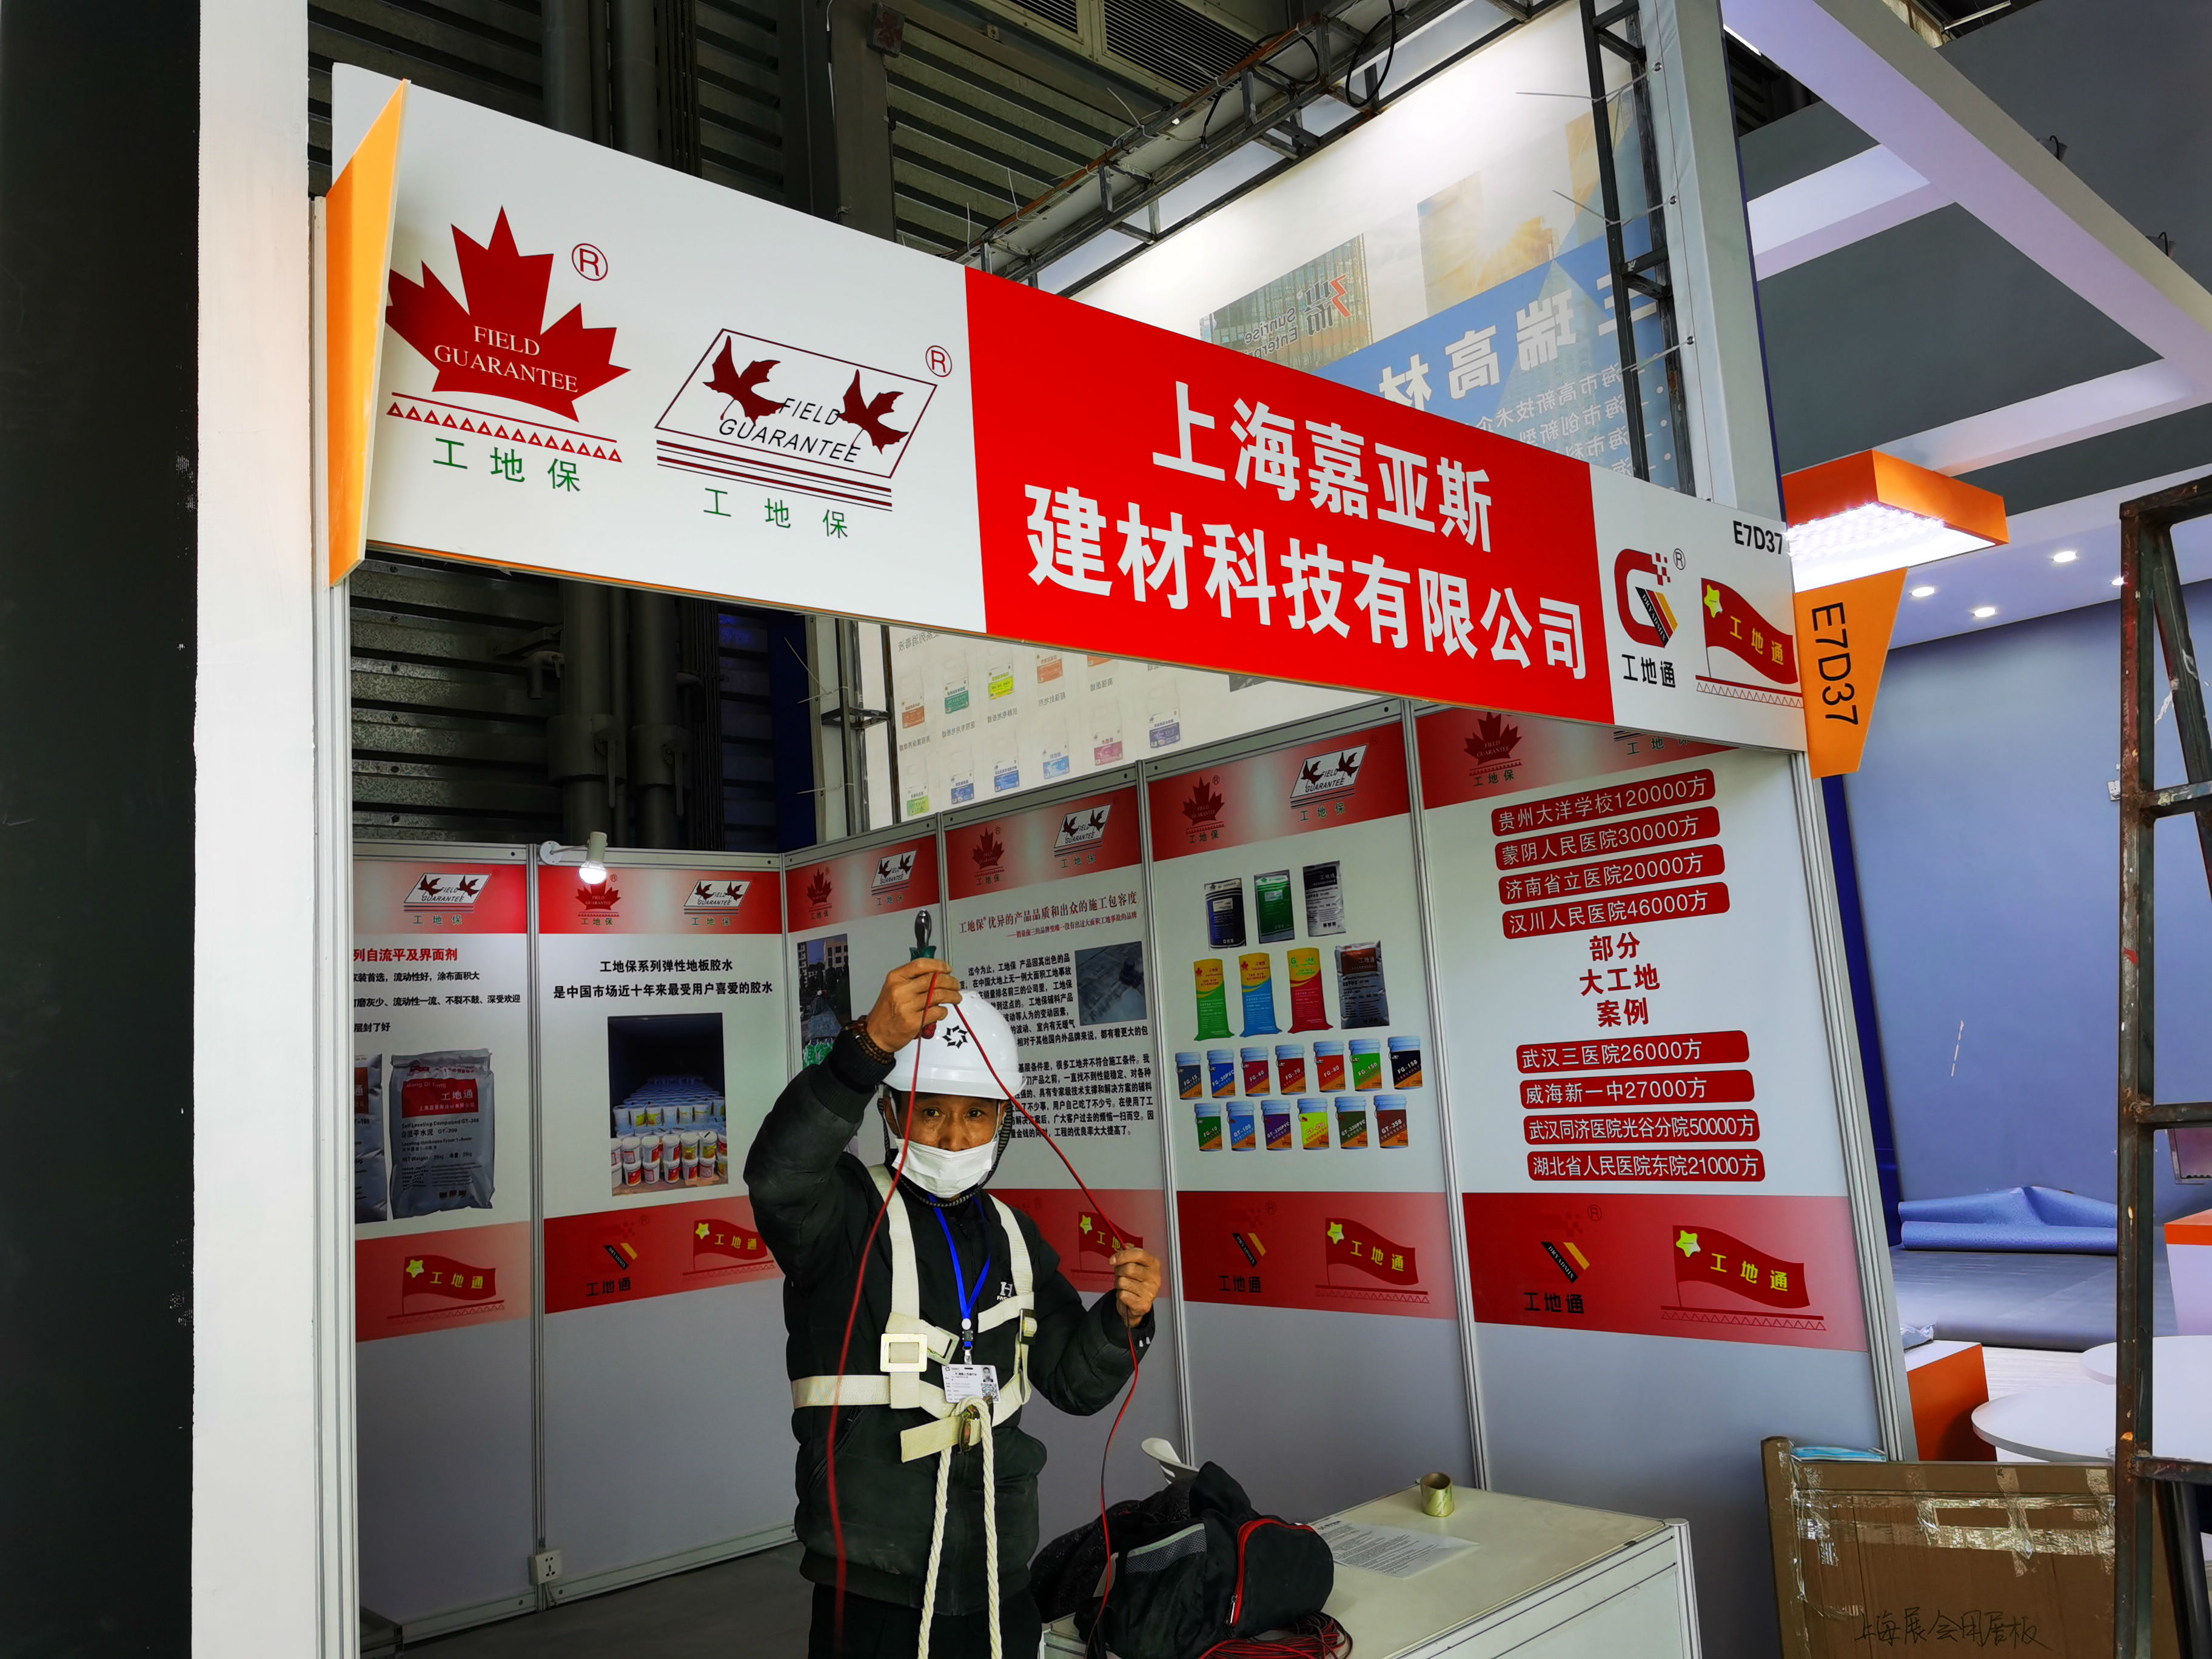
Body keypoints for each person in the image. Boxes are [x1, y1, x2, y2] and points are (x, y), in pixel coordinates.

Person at [747, 958, 1164, 1659]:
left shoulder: (1014, 1237)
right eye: (931, 1111)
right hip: (876, 1577)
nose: (951, 1136)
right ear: (891, 1112)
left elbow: (1075, 1384)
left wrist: (1123, 1321)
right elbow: (779, 1175)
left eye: (975, 1115)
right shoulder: (841, 1216)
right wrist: (863, 1052)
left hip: (998, 1568)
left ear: (1004, 1121)